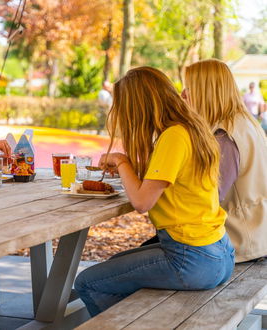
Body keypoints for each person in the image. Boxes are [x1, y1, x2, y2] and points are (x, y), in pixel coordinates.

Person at [74, 67, 234, 317]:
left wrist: (121, 161)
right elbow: (174, 179)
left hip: (192, 258)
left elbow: (142, 201)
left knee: (88, 282)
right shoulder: (192, 128)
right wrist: (130, 169)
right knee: (114, 266)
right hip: (220, 251)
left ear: (139, 106)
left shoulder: (173, 136)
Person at [184, 59, 267, 262]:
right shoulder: (244, 121)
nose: (183, 94)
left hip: (237, 240)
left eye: (189, 88)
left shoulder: (224, 136)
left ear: (206, 91)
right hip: (254, 233)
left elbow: (206, 198)